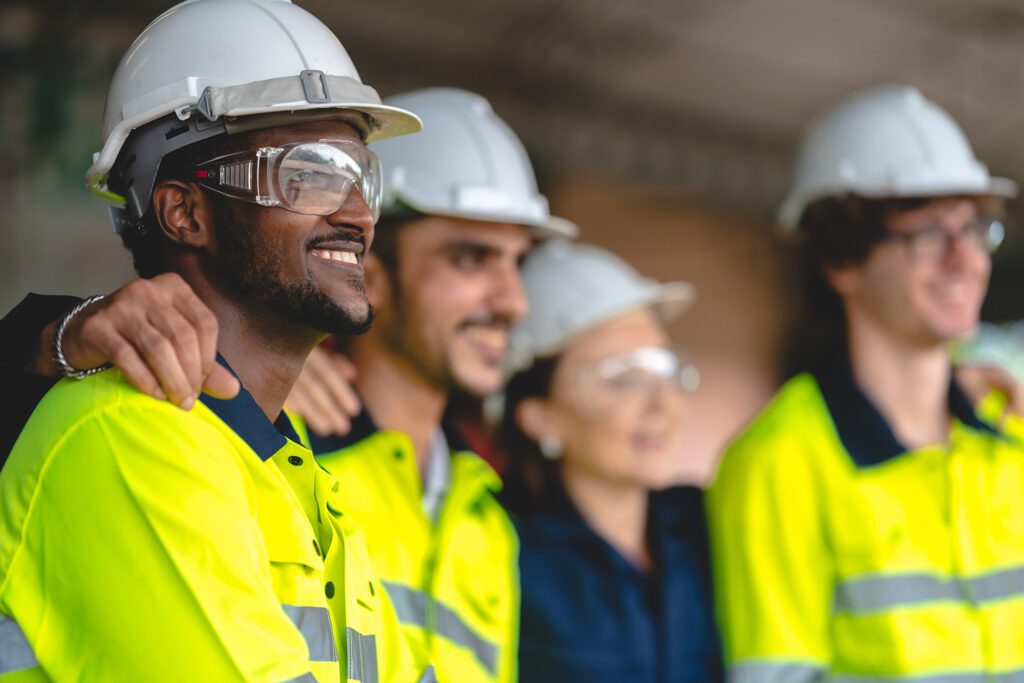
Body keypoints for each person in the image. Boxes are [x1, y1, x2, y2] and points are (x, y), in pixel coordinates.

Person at [0, 0, 433, 680]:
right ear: (184, 212)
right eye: (309, 174)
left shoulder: (298, 477)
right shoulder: (132, 435)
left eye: (359, 177)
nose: (355, 214)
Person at [708, 84, 1024, 681]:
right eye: (927, 234)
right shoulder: (778, 460)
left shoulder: (1006, 437)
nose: (966, 259)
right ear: (841, 261)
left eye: (974, 229)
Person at [289, 87, 576, 683]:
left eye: (516, 263)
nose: (513, 301)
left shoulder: (488, 521)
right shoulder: (283, 457)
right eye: (471, 259)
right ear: (367, 274)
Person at [499, 239, 723, 683]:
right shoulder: (504, 554)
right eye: (621, 379)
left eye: (664, 369)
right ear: (540, 419)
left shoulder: (708, 527)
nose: (662, 403)